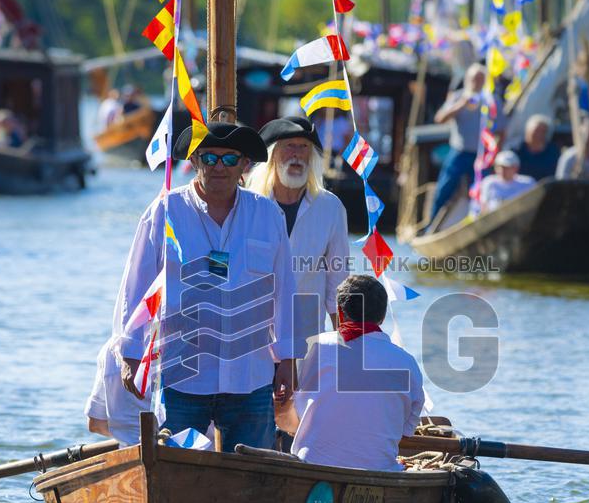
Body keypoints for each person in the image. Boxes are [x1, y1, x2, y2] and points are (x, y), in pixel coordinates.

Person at [112, 121, 297, 450]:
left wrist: (287, 358)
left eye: (229, 159)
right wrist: (130, 351)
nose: (219, 167)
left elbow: (285, 290)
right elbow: (136, 286)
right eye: (209, 158)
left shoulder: (268, 215)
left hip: (250, 374)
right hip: (183, 374)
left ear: (244, 165)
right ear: (194, 161)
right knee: (177, 475)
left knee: (254, 478)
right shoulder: (166, 210)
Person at [283, 274, 425, 471]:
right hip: (380, 472)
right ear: (382, 317)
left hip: (311, 468)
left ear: (340, 314)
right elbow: (403, 432)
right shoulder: (408, 363)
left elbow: (292, 416)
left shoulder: (313, 347)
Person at [249, 115, 350, 333]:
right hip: (254, 338)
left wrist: (343, 344)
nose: (296, 154)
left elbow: (338, 283)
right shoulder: (249, 206)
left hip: (307, 337)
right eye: (289, 146)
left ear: (312, 156)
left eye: (303, 147)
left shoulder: (331, 208)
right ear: (273, 154)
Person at [430, 63, 485, 221]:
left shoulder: (490, 100)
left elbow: (501, 129)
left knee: (482, 192)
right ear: (467, 80)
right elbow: (440, 119)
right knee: (444, 189)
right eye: (474, 79)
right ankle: (431, 226)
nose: (477, 83)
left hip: (481, 156)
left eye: (480, 79)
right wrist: (461, 105)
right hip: (460, 151)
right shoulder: (458, 97)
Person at [514, 114, 560, 181]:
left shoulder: (554, 151)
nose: (539, 135)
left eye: (543, 132)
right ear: (527, 131)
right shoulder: (516, 149)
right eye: (536, 131)